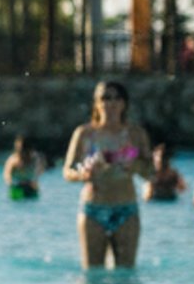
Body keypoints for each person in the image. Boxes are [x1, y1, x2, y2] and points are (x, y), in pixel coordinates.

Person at [63, 81, 151, 268]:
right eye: (105, 98)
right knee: (93, 277)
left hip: (126, 209)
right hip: (93, 210)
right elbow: (68, 171)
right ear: (96, 103)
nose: (111, 103)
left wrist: (134, 166)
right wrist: (83, 174)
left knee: (126, 278)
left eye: (116, 98)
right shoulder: (84, 133)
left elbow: (150, 172)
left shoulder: (136, 134)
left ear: (124, 103)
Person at [3, 136, 42, 201]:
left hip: (30, 186)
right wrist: (11, 184)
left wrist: (35, 182)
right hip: (17, 187)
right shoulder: (13, 160)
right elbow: (7, 175)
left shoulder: (34, 159)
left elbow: (38, 172)